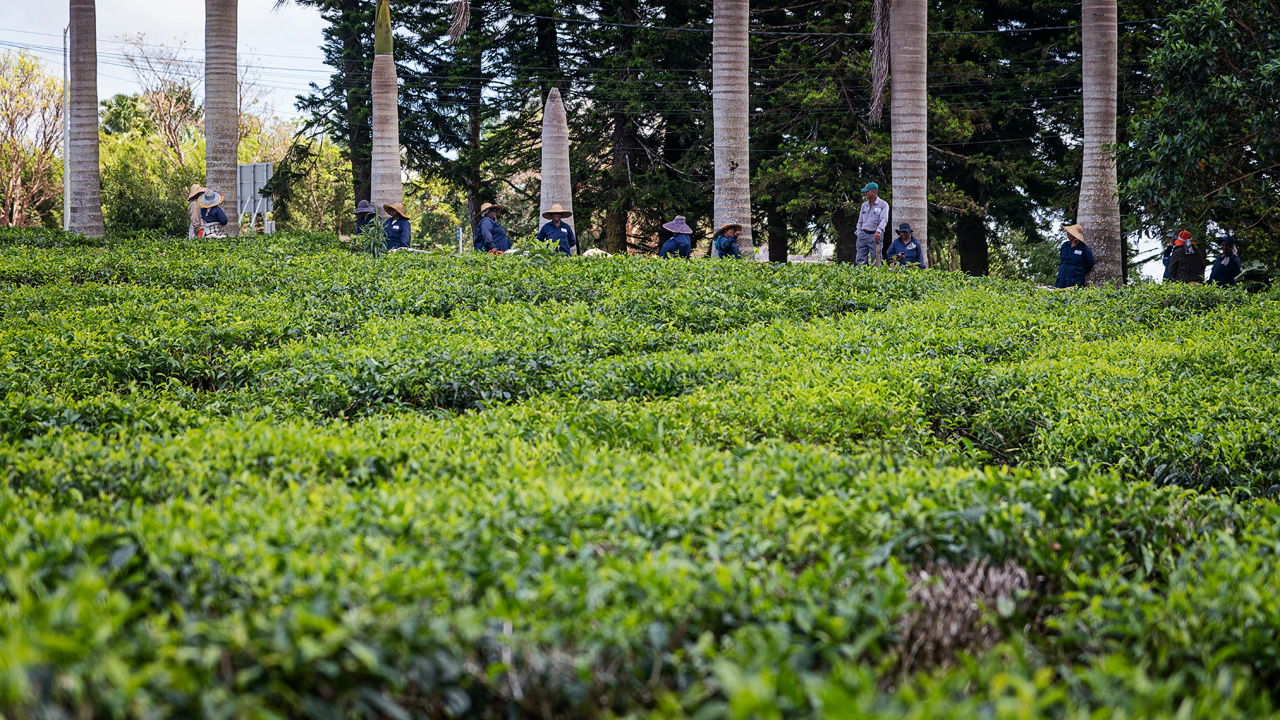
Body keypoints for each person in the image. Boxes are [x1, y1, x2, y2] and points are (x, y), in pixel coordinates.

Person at [855, 182, 890, 266]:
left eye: (867, 191)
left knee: (876, 259)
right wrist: (859, 232)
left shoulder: (883, 204)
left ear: (873, 191)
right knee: (860, 259)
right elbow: (860, 220)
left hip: (875, 235)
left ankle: (876, 274)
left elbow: (884, 219)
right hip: (863, 234)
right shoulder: (864, 205)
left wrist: (878, 231)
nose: (865, 193)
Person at [1055, 224, 1095, 288]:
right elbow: (1061, 258)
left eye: (1070, 233)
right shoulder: (1065, 245)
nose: (1068, 234)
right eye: (1068, 233)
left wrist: (1079, 270)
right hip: (1062, 276)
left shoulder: (1083, 248)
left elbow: (1090, 262)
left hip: (1075, 278)